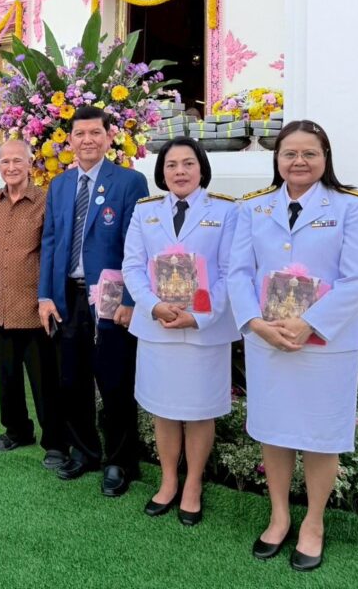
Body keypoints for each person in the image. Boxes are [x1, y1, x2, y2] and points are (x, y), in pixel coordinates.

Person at [228, 120, 358, 572]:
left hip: (326, 345)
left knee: (319, 436)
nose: (299, 161)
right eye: (289, 153)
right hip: (269, 341)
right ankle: (279, 516)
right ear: (276, 159)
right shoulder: (253, 207)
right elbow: (237, 272)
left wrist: (309, 323)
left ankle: (314, 522)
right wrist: (255, 323)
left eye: (309, 153)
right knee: (274, 431)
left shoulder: (352, 206)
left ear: (325, 158)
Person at [122, 138, 239, 525]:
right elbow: (132, 266)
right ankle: (169, 479)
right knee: (164, 409)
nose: (180, 171)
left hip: (204, 331)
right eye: (171, 165)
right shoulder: (146, 211)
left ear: (202, 168)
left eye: (188, 163)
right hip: (158, 326)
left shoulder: (226, 210)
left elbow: (230, 272)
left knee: (200, 410)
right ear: (162, 172)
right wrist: (153, 305)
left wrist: (200, 317)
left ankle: (193, 484)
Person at [38, 105, 149, 496]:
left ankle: (121, 461)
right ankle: (84, 451)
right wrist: (45, 295)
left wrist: (131, 299)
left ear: (108, 137)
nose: (87, 140)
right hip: (68, 295)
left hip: (112, 295)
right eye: (80, 134)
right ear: (69, 140)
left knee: (115, 380)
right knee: (72, 379)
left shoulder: (129, 181)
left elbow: (138, 245)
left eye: (95, 133)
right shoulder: (60, 185)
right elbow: (50, 242)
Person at [0, 139, 65, 468]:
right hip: (2, 306)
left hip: (36, 308)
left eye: (18, 161)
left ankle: (55, 441)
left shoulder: (46, 201)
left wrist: (50, 298)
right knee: (7, 376)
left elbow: (53, 253)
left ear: (30, 163)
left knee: (45, 380)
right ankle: (17, 430)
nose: (11, 167)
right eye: (5, 162)